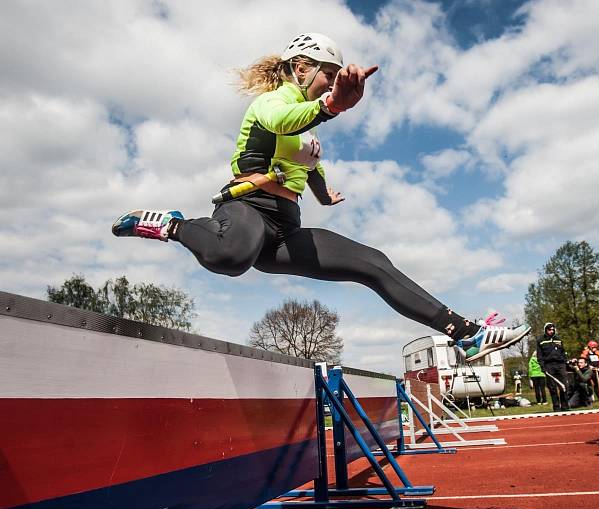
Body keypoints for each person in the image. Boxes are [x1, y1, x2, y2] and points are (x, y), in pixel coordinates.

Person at [111, 33, 529, 359]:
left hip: (285, 229)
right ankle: (173, 224)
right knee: (229, 258)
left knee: (372, 263)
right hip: (246, 210)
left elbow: (309, 165)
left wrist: (324, 193)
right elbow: (281, 121)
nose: (332, 80)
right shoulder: (273, 103)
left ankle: (466, 335)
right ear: (301, 67)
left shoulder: (306, 129)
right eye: (328, 72)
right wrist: (332, 107)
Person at [536, 323, 570, 411]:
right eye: (549, 330)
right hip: (549, 366)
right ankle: (556, 407)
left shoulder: (558, 339)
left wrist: (565, 361)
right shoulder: (540, 340)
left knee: (564, 386)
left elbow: (563, 351)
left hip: (560, 365)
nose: (551, 331)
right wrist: (542, 366)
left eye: (553, 329)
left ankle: (565, 406)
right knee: (552, 387)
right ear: (545, 330)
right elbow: (539, 356)